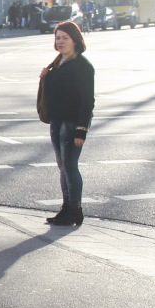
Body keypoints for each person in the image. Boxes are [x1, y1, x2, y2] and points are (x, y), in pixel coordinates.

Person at [39, 20, 94, 227]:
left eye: (65, 38)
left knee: (70, 167)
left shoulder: (82, 66)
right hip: (57, 119)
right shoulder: (57, 62)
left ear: (76, 41)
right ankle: (66, 208)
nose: (60, 41)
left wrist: (82, 129)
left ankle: (75, 209)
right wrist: (45, 77)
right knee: (62, 167)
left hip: (72, 123)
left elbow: (88, 100)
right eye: (58, 38)